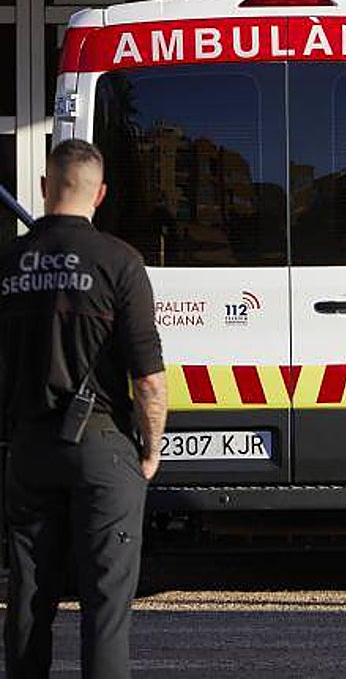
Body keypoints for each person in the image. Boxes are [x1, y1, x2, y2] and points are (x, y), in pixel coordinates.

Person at [1, 139, 168, 677]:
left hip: (28, 448)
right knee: (106, 605)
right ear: (99, 194)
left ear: (47, 189)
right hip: (103, 447)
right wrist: (151, 450)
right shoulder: (120, 261)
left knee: (28, 597)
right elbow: (147, 376)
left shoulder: (9, 264)